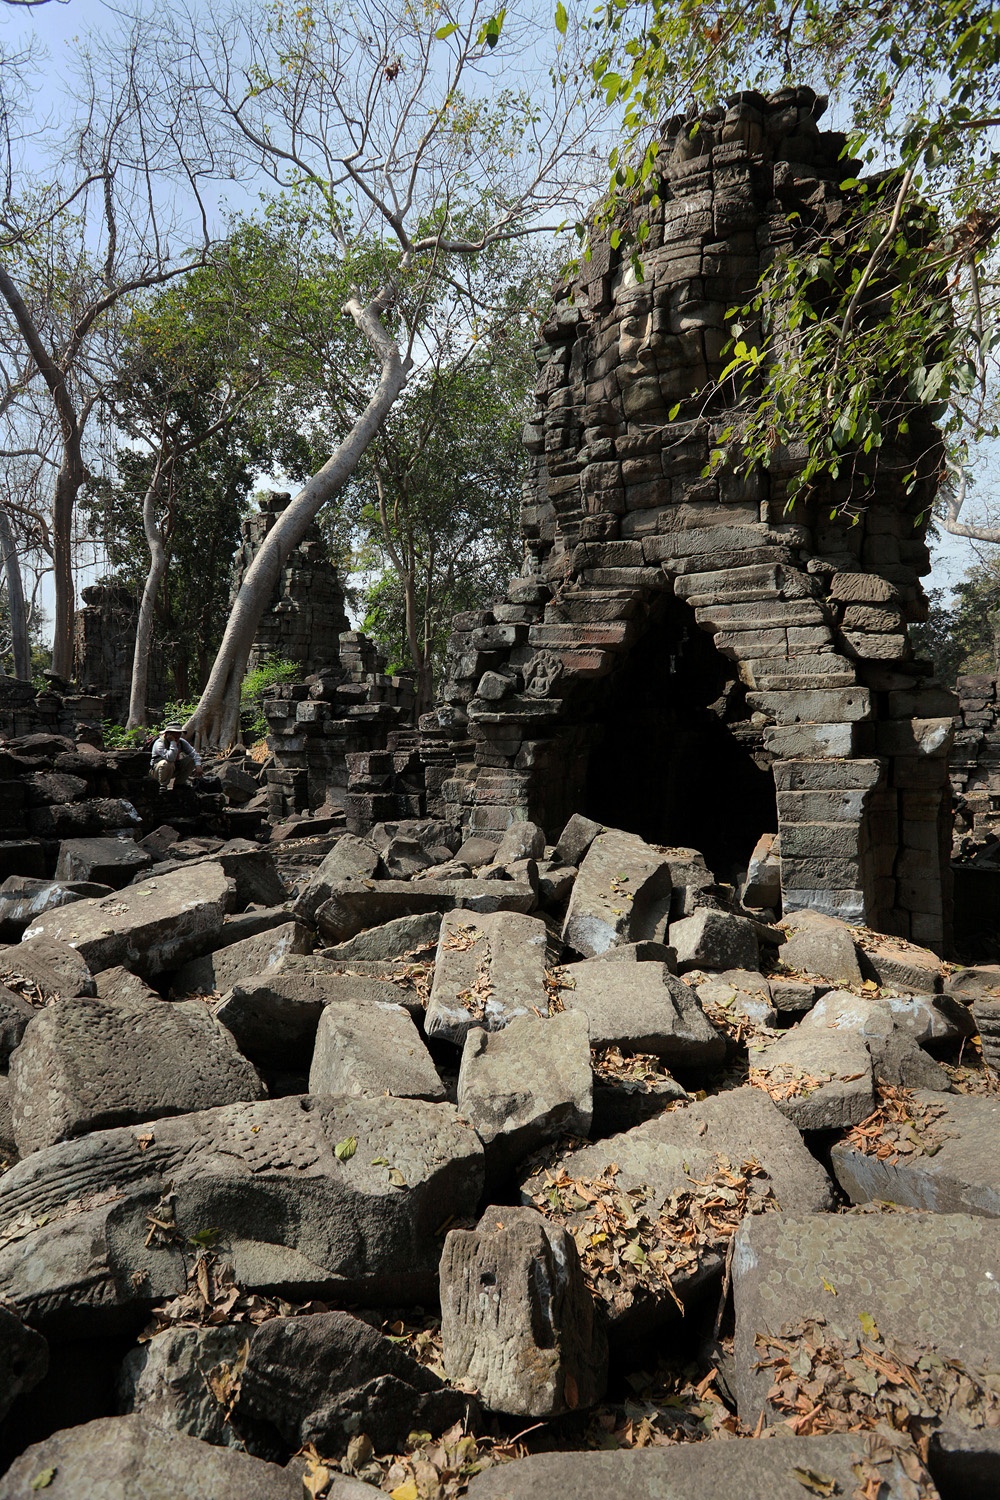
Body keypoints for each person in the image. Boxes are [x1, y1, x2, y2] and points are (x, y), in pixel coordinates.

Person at [150, 723, 202, 790]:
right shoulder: (160, 743)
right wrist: (173, 743)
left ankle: (179, 785)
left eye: (179, 733)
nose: (178, 735)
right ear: (168, 734)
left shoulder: (181, 742)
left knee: (190, 760)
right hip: (158, 770)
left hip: (174, 768)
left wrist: (198, 765)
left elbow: (194, 754)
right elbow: (170, 758)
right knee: (167, 763)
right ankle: (162, 785)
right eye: (174, 733)